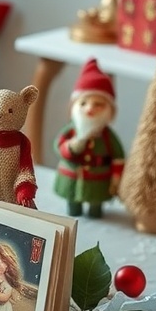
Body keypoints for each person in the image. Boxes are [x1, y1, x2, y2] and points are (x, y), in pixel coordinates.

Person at [54, 58, 125, 218]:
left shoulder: (108, 136)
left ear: (110, 110)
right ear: (73, 107)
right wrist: (72, 147)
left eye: (98, 104)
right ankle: (73, 211)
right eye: (83, 103)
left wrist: (116, 178)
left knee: (96, 209)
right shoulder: (70, 131)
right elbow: (58, 147)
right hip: (71, 179)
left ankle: (95, 213)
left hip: (98, 181)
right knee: (72, 211)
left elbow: (118, 157)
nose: (90, 108)